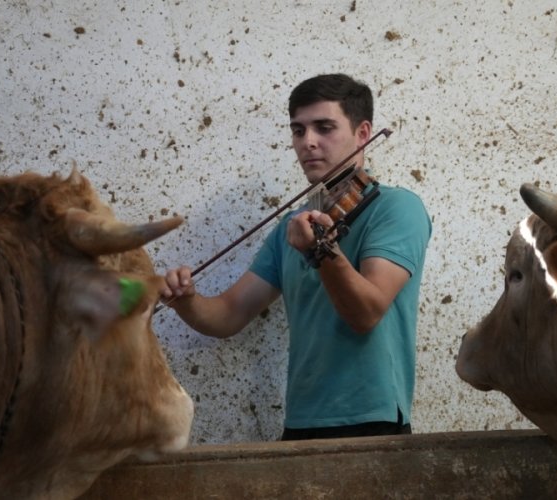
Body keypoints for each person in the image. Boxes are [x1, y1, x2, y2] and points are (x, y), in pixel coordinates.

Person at [162, 73, 432, 440]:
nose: (309, 142)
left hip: (371, 420)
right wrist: (187, 301)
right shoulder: (293, 225)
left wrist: (319, 249)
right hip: (302, 420)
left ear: (363, 133)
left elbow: (366, 313)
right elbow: (229, 314)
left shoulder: (397, 209)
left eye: (324, 128)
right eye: (298, 130)